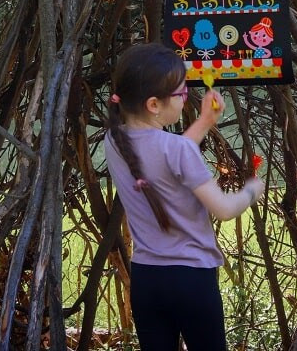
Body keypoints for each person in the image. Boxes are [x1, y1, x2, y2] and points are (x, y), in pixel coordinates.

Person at [105, 42, 265, 351]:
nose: (185, 98)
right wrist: (251, 191)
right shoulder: (174, 150)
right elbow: (224, 210)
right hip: (192, 281)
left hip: (147, 281)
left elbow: (166, 157)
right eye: (181, 94)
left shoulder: (115, 140)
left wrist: (204, 122)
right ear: (154, 105)